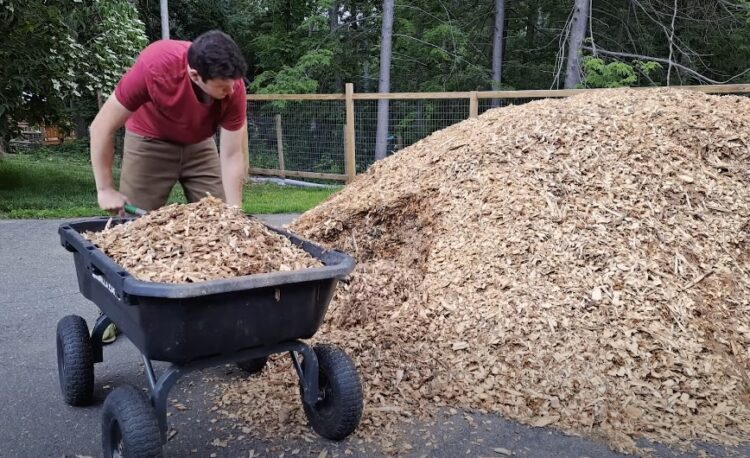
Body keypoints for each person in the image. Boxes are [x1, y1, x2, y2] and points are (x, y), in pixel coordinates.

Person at [89, 30, 249, 343]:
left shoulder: (233, 86)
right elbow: (101, 127)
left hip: (200, 144)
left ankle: (214, 303)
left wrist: (234, 210)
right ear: (194, 75)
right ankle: (115, 310)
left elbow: (231, 156)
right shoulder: (156, 66)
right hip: (149, 139)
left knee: (219, 226)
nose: (231, 90)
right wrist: (104, 187)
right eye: (222, 86)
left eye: (233, 83)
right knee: (129, 232)